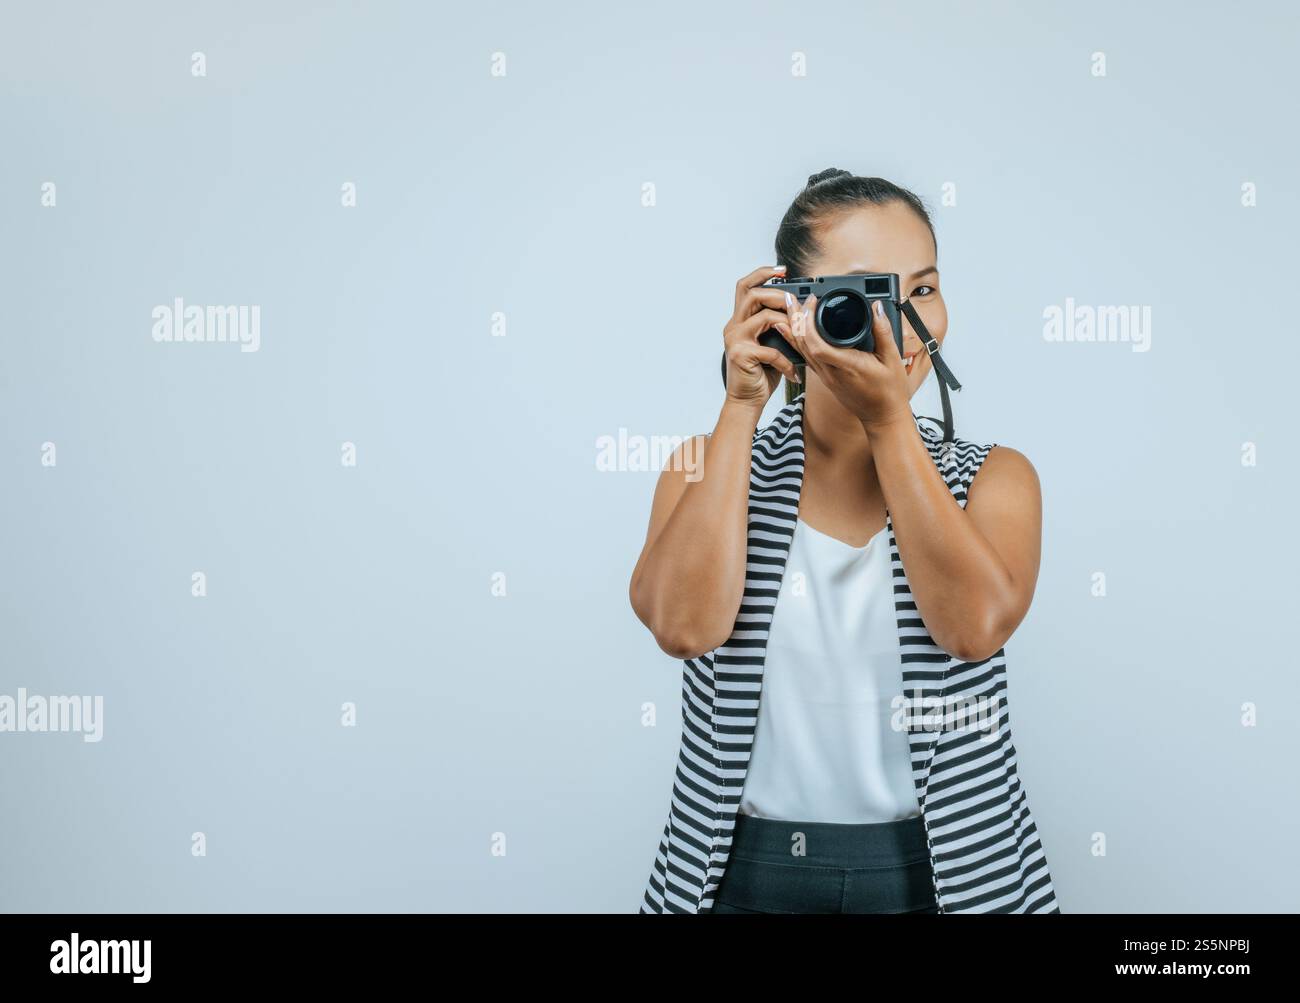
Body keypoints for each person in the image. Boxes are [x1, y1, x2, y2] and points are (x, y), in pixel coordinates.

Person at [631, 169, 1060, 914]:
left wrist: (891, 424)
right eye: (868, 296)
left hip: (948, 872)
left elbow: (973, 628)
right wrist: (740, 405)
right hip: (738, 872)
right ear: (789, 309)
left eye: (921, 290)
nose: (900, 325)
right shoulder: (703, 468)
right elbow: (682, 626)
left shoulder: (996, 477)